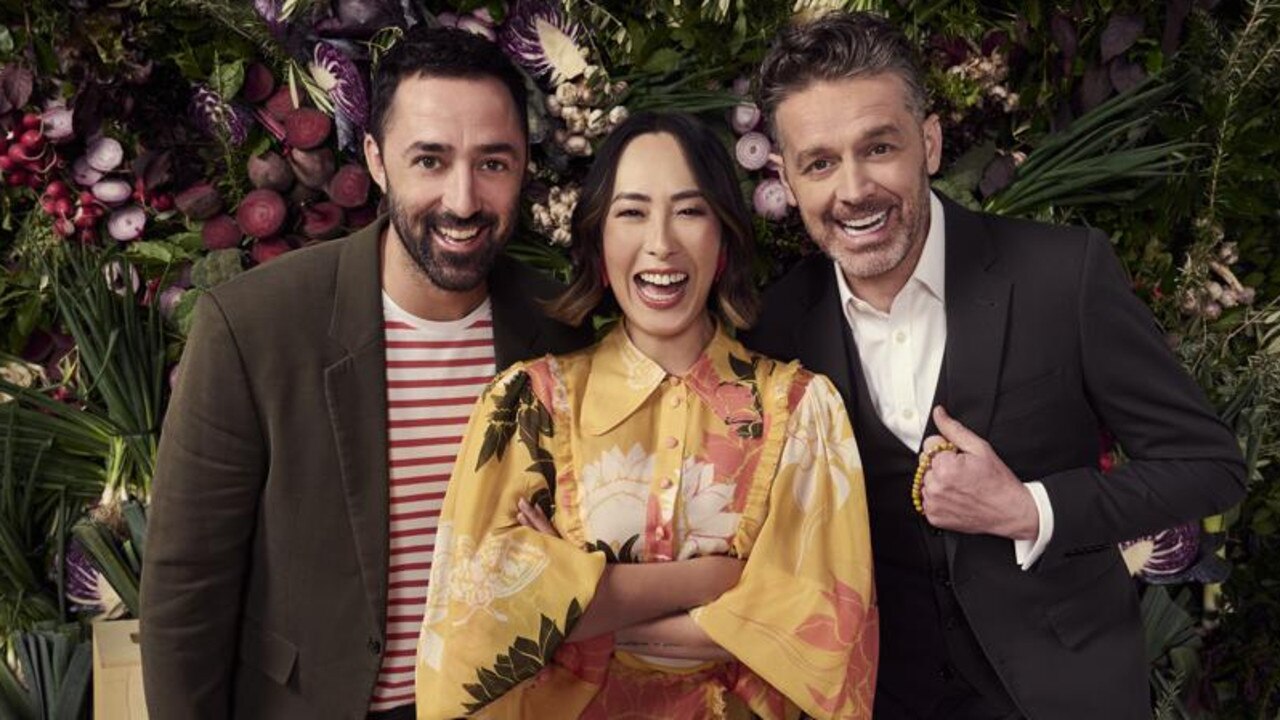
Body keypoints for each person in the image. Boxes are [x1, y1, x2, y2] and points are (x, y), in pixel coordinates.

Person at [742, 11, 1247, 720]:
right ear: (789, 182)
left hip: (1067, 698)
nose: (852, 189)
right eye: (819, 163)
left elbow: (1208, 463)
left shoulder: (1061, 276)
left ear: (930, 143)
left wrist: (1030, 509)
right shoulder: (774, 327)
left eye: (879, 147)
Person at [139, 26, 591, 720]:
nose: (464, 200)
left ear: (526, 164)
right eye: (431, 161)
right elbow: (185, 588)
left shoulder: (558, 326)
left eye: (493, 163)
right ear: (377, 161)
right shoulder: (254, 325)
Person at [413, 111, 878, 719]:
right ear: (599, 242)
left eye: (689, 210)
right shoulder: (526, 408)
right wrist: (715, 583)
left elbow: (828, 637)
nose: (661, 241)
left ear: (725, 239)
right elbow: (474, 627)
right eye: (631, 212)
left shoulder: (801, 411)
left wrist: (584, 610)